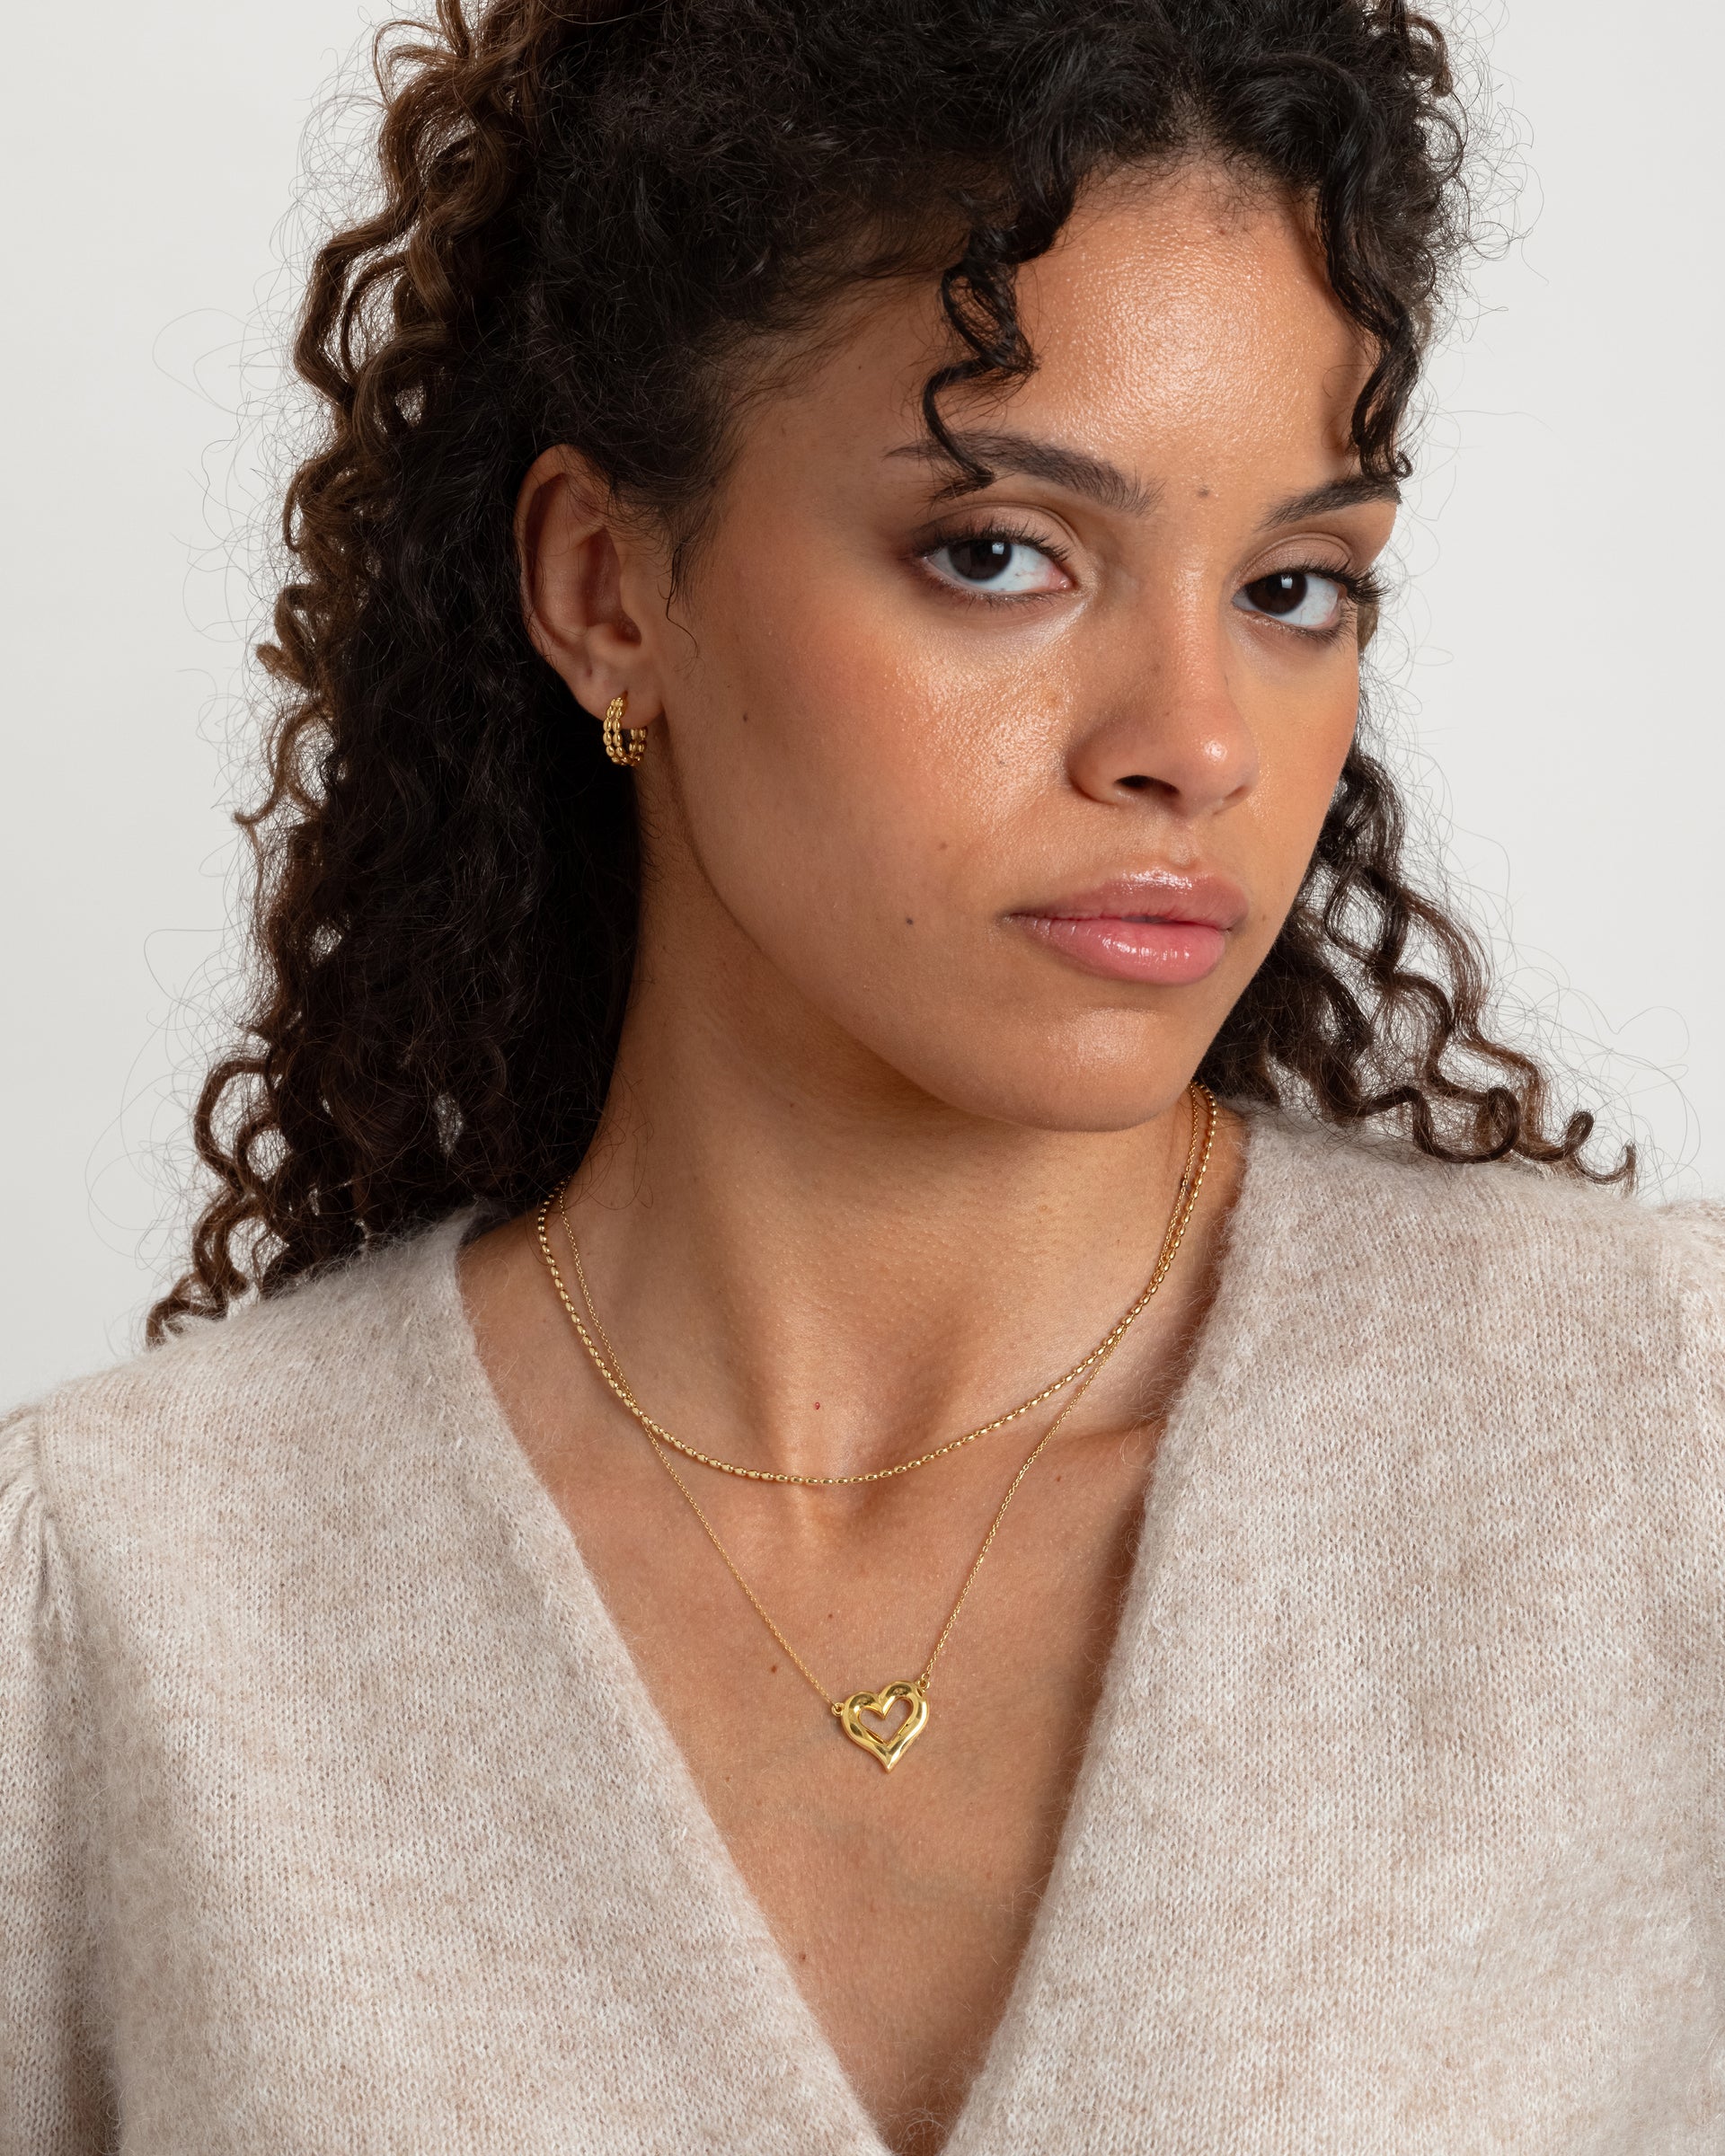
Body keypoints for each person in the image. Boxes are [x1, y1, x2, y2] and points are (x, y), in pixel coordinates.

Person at [5, 1, 1721, 2149]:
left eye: (1295, 587)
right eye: (998, 549)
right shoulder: (118, 1604)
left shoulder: (1657, 1447)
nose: (1193, 739)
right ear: (608, 588)